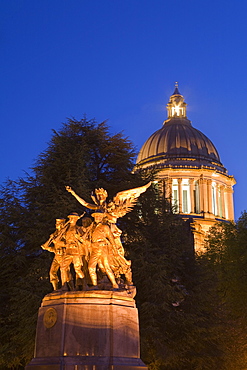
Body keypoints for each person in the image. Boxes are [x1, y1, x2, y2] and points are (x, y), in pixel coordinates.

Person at [88, 211, 119, 289]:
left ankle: (115, 284)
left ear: (102, 218)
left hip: (102, 248)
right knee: (91, 267)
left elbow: (111, 238)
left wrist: (115, 250)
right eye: (96, 217)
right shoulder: (92, 227)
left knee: (106, 267)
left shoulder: (105, 227)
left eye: (99, 217)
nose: (97, 218)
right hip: (94, 248)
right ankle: (95, 285)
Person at [41, 218, 69, 290]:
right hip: (56, 255)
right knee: (52, 272)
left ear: (62, 225)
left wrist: (58, 243)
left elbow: (68, 244)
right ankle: (55, 289)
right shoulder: (55, 234)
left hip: (64, 255)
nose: (56, 225)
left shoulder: (65, 234)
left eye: (58, 224)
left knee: (65, 272)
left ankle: (66, 287)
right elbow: (54, 247)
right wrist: (48, 247)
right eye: (56, 223)